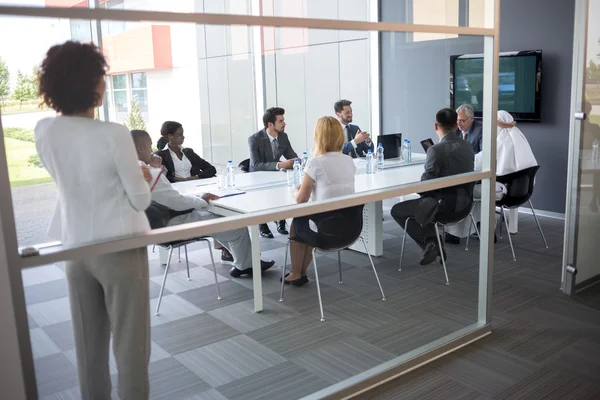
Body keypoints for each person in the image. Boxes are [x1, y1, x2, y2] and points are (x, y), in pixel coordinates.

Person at [35, 41, 152, 399]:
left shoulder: (44, 130)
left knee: (89, 351)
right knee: (131, 352)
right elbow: (140, 199)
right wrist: (142, 175)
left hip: (74, 247)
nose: (104, 83)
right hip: (118, 247)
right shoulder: (113, 133)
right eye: (102, 77)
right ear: (90, 83)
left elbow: (76, 181)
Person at [132, 130, 276, 277]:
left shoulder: (132, 169)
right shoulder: (145, 171)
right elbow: (176, 202)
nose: (152, 150)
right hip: (167, 224)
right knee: (235, 224)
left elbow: (167, 195)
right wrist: (201, 201)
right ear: (140, 148)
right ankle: (246, 264)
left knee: (218, 217)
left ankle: (243, 260)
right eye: (149, 146)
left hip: (156, 222)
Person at [391, 108, 474, 265]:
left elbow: (425, 187)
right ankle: (432, 242)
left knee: (397, 210)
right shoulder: (467, 146)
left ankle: (431, 242)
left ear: (436, 126)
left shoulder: (435, 150)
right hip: (465, 206)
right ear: (456, 125)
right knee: (425, 204)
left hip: (443, 209)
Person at [284, 116, 356, 285]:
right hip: (350, 229)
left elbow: (302, 200)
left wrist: (296, 191)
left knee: (298, 224)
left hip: (326, 232)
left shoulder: (315, 162)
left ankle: (297, 273)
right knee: (310, 221)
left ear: (319, 137)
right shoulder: (349, 161)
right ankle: (301, 272)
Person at [248, 107, 298, 238]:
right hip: (258, 177)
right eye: (281, 121)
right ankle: (262, 224)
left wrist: (299, 161)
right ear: (270, 124)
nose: (284, 123)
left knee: (287, 185)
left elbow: (291, 155)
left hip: (275, 175)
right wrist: (280, 164)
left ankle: (280, 219)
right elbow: (255, 165)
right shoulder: (255, 139)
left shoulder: (283, 136)